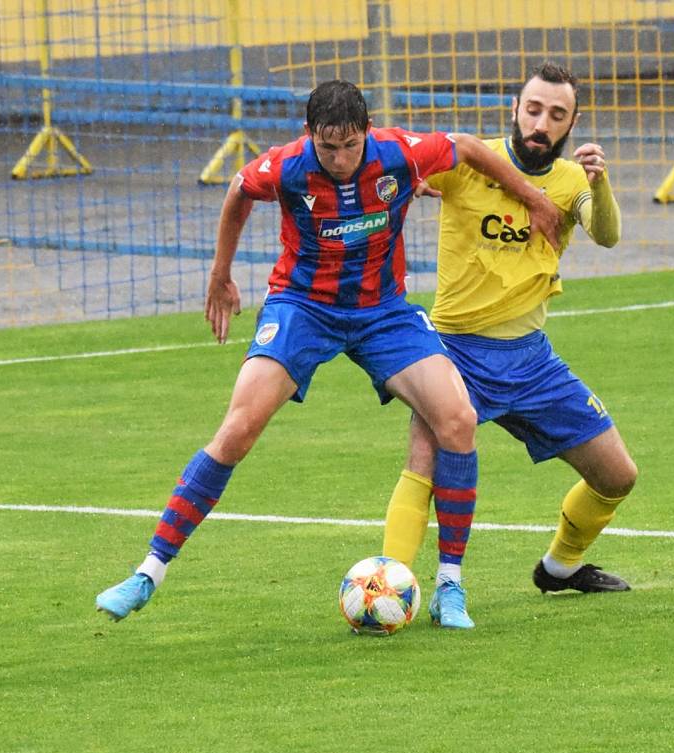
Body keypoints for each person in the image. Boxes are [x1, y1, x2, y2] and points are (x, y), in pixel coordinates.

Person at [95, 79, 562, 627]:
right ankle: (148, 572)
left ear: (367, 132)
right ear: (308, 136)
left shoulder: (400, 154)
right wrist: (220, 275)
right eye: (327, 147)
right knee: (239, 427)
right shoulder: (288, 166)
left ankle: (450, 587)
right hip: (302, 307)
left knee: (457, 418)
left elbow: (468, 146)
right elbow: (238, 193)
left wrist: (533, 199)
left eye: (350, 146)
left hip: (382, 312)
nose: (340, 160)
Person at [381, 62, 638, 628]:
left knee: (617, 475)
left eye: (556, 115)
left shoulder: (572, 181)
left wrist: (600, 183)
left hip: (532, 360)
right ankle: (387, 583)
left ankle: (560, 568)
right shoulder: (468, 164)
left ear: (570, 124)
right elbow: (402, 167)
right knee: (423, 463)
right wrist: (407, 183)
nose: (541, 123)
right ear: (515, 109)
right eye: (533, 109)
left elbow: (608, 235)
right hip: (454, 353)